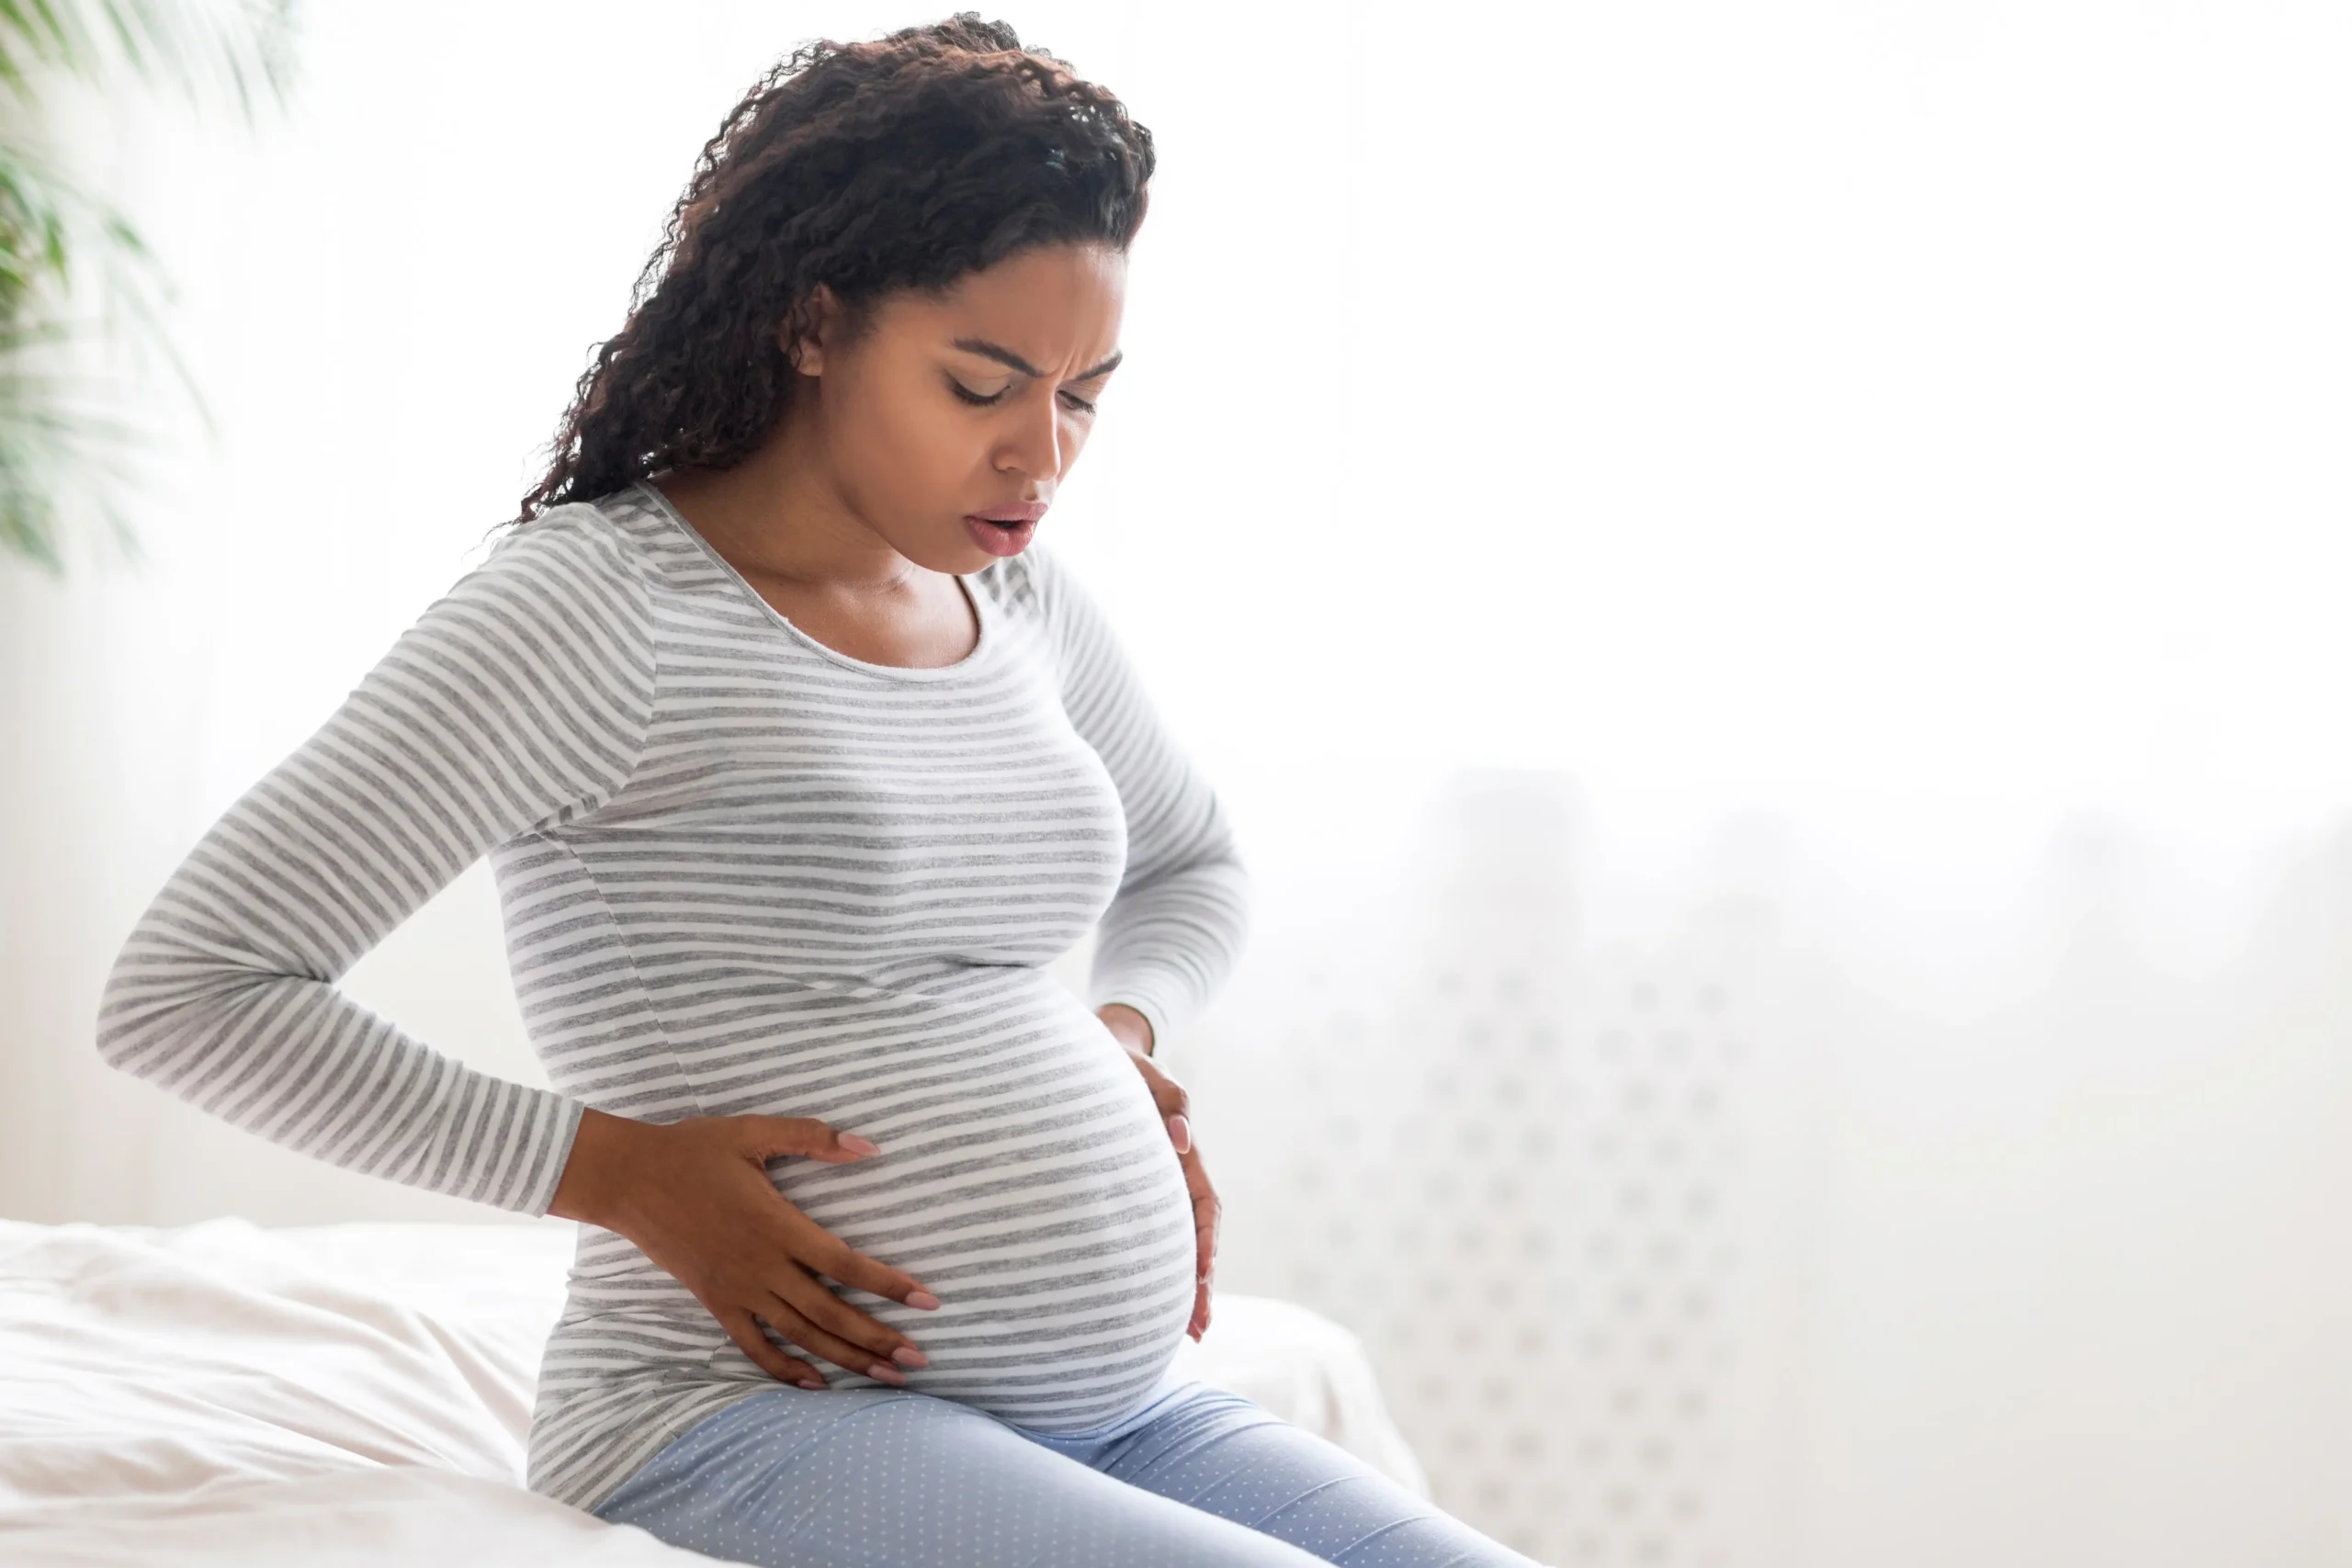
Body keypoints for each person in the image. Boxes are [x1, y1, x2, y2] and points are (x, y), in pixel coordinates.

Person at [96, 13, 1544, 1566]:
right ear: (813, 324)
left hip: (1118, 1401)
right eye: (983, 382)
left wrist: (1123, 1037)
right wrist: (612, 1170)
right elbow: (188, 989)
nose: (1040, 456)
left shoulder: (1018, 597)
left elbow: (1193, 861)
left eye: (1085, 393)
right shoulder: (602, 609)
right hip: (740, 1411)